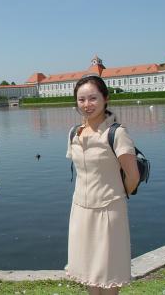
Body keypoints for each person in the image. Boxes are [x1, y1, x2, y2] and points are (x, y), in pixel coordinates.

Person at [66, 75, 140, 295]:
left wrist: (115, 195)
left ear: (105, 99)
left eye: (92, 98)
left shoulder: (117, 133)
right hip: (80, 210)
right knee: (89, 272)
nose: (87, 104)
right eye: (81, 99)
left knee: (108, 273)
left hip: (109, 210)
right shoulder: (74, 133)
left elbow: (133, 176)